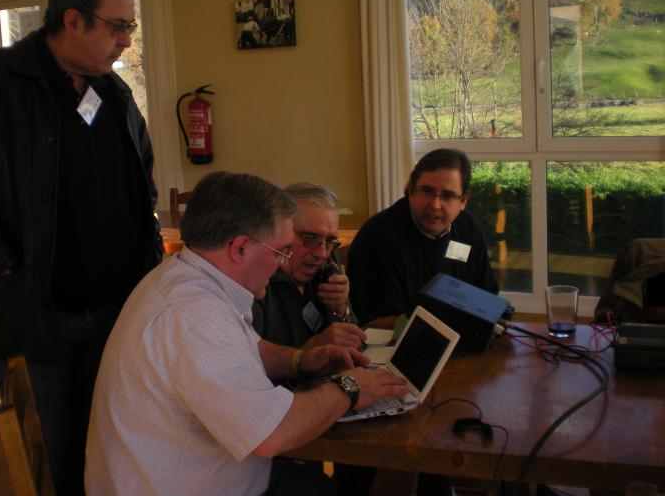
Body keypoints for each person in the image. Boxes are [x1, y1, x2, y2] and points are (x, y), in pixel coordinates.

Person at [0, 0, 162, 496]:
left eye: (130, 26)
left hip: (115, 314)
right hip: (37, 318)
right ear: (73, 20)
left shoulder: (114, 94)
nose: (127, 40)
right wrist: (5, 278)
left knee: (113, 454)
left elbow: (140, 185)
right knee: (50, 460)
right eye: (118, 25)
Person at [85, 171, 406, 496]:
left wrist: (300, 360)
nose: (282, 264)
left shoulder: (185, 274)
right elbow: (273, 435)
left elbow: (252, 349)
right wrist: (350, 387)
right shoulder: (197, 316)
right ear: (240, 248)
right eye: (281, 251)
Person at [348, 148, 499, 323]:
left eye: (447, 196)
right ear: (411, 190)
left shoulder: (468, 229)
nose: (435, 205)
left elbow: (486, 295)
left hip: (463, 334)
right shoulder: (377, 237)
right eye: (427, 191)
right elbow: (382, 321)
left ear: (464, 200)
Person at [253, 182, 366, 351]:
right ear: (279, 232)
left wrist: (340, 309)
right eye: (310, 238)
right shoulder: (256, 279)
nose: (322, 254)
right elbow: (248, 363)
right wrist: (311, 350)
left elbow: (355, 342)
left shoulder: (328, 262)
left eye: (329, 241)